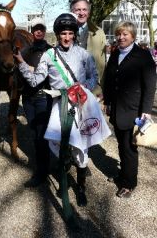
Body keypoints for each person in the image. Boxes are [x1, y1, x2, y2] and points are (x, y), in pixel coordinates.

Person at [14, 13, 99, 207]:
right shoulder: (48, 55)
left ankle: (81, 186)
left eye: (70, 33)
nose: (66, 37)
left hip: (79, 104)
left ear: (75, 35)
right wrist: (21, 64)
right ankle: (63, 179)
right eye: (63, 34)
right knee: (60, 146)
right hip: (57, 106)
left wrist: (82, 87)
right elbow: (36, 79)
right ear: (58, 35)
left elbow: (94, 76)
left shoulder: (84, 55)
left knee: (80, 146)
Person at [103, 21, 156, 198]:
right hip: (117, 108)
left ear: (133, 36)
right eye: (119, 34)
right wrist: (108, 101)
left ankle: (129, 183)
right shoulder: (115, 53)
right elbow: (109, 78)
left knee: (129, 148)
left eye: (125, 34)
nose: (121, 37)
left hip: (133, 110)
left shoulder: (143, 55)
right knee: (121, 145)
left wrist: (146, 111)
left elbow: (150, 86)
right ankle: (124, 174)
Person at [21, 18, 52, 187]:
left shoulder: (50, 50)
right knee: (35, 133)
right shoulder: (25, 50)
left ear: (45, 31)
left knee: (42, 135)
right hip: (27, 98)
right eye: (35, 29)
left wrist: (29, 68)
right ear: (32, 31)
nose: (38, 32)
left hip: (42, 97)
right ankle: (42, 166)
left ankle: (42, 171)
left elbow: (51, 74)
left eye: (41, 29)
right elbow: (16, 68)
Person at [70, 0, 106, 94]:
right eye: (78, 10)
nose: (81, 13)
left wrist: (102, 89)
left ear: (88, 13)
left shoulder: (99, 33)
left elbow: (102, 64)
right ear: (72, 12)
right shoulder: (65, 32)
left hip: (94, 90)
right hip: (71, 90)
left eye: (84, 9)